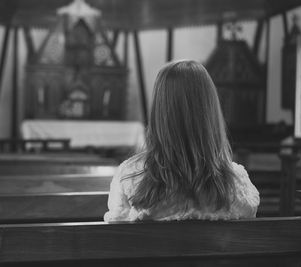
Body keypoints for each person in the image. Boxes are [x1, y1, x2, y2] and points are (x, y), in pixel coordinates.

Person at [104, 60, 260, 222]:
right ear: (210, 113)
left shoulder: (130, 176)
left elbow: (116, 232)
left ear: (159, 112)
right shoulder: (237, 184)